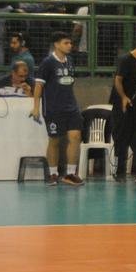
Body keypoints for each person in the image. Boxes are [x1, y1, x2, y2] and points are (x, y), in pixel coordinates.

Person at [31, 31, 83, 186]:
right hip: (53, 109)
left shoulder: (70, 61)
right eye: (66, 43)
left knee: (75, 137)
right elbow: (39, 85)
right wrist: (36, 108)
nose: (70, 46)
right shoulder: (47, 63)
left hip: (71, 108)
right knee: (54, 140)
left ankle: (70, 174)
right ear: (56, 44)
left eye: (70, 43)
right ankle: (53, 174)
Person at [110, 38, 136, 183]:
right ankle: (120, 171)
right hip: (122, 103)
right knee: (121, 138)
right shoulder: (125, 59)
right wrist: (124, 97)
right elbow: (118, 80)